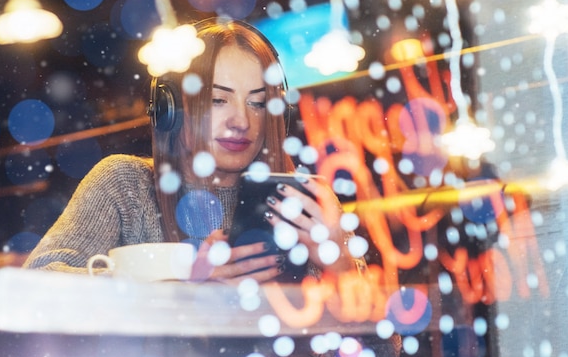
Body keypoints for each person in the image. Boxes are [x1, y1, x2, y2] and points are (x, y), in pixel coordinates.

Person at [23, 17, 359, 282]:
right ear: (170, 108)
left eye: (258, 103)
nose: (242, 120)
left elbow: (384, 355)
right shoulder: (126, 185)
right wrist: (186, 286)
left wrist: (340, 264)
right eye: (217, 100)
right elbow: (36, 288)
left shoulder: (301, 202)